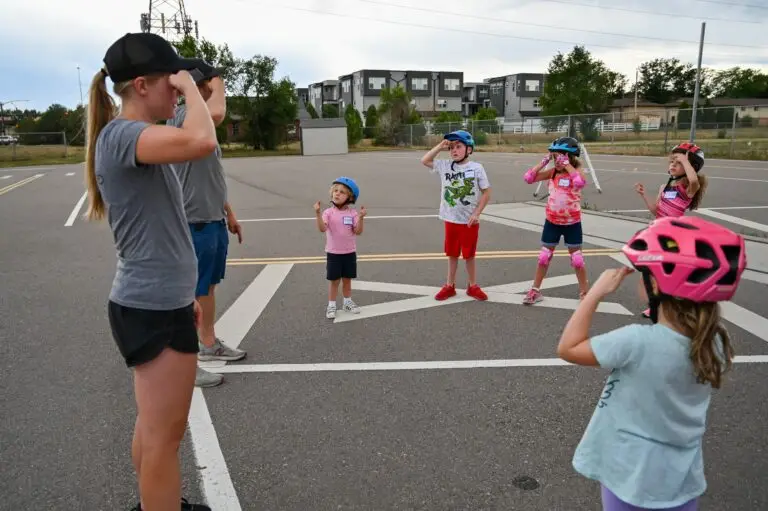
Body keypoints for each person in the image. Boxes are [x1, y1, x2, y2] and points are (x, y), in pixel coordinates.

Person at [84, 32, 217, 511]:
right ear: (142, 85)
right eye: (170, 84)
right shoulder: (124, 136)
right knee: (165, 438)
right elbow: (203, 138)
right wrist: (190, 84)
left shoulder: (137, 139)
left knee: (153, 427)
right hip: (151, 305)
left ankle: (157, 503)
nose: (178, 93)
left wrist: (187, 302)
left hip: (158, 302)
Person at [557, 216, 747, 511]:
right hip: (682, 482)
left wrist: (594, 293)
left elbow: (568, 347)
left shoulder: (637, 342)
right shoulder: (715, 343)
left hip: (630, 480)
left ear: (656, 284)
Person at [167, 58, 246, 389]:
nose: (212, 92)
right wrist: (219, 84)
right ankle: (187, 362)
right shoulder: (185, 117)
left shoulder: (197, 122)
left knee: (207, 288)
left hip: (211, 216)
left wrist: (228, 211)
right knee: (191, 294)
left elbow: (211, 175)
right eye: (208, 87)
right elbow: (216, 113)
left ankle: (208, 343)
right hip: (194, 221)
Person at [633, 141, 708, 317]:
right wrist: (644, 195)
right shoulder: (664, 187)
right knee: (653, 274)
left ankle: (678, 306)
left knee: (668, 275)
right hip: (659, 234)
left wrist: (685, 159)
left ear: (691, 166)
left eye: (678, 162)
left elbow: (694, 180)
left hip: (675, 237)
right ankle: (656, 306)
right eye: (672, 162)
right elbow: (655, 211)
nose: (673, 164)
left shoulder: (688, 188)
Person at [420, 130, 491, 301]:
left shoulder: (476, 168)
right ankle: (449, 285)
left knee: (469, 255)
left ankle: (472, 285)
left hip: (469, 221)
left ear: (469, 149)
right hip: (450, 219)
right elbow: (425, 160)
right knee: (452, 254)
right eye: (451, 147)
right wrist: (440, 146)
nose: (454, 150)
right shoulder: (445, 166)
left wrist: (476, 213)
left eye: (458, 146)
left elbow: (487, 193)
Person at [521, 136, 589, 305]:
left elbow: (580, 183)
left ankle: (584, 293)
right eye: (555, 156)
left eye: (561, 156)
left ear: (571, 157)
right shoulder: (552, 173)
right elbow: (528, 178)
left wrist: (567, 165)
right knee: (544, 257)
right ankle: (535, 290)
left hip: (572, 223)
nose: (557, 160)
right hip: (552, 221)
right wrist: (544, 162)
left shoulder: (576, 172)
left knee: (577, 259)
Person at [314, 177, 367, 319]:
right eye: (335, 191)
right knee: (334, 281)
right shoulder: (328, 213)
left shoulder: (352, 213)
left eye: (342, 192)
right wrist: (318, 213)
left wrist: (361, 218)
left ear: (350, 197)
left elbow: (358, 231)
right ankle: (331, 304)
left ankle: (347, 302)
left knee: (347, 279)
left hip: (349, 253)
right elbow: (321, 228)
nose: (337, 194)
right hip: (334, 253)